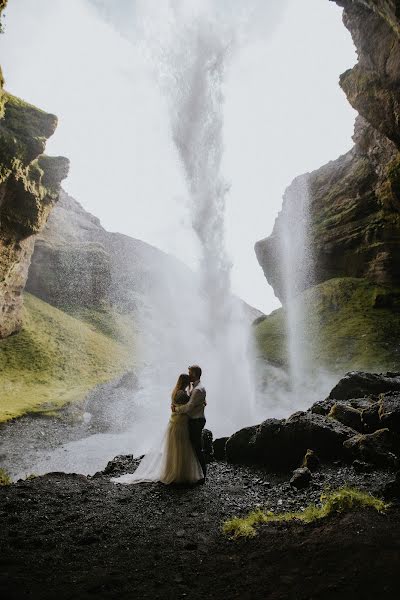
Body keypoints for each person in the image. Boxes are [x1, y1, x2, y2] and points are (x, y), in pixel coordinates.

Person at [110, 373, 204, 485]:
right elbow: (189, 407)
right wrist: (200, 404)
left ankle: (175, 472)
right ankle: (179, 474)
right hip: (180, 423)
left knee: (176, 449)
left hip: (176, 422)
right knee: (181, 448)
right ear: (185, 382)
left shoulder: (176, 391)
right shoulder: (182, 394)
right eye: (188, 381)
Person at [172, 364, 207, 483]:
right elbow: (193, 402)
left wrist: (176, 410)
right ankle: (197, 473)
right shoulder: (195, 388)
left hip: (196, 420)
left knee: (197, 448)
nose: (189, 375)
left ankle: (202, 475)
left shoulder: (197, 389)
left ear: (195, 374)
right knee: (194, 447)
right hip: (194, 419)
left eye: (190, 373)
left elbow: (189, 407)